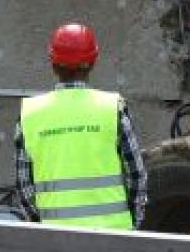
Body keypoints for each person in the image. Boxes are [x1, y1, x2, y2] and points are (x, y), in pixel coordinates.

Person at [13, 23, 146, 230]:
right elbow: (136, 175)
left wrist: (41, 227)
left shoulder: (31, 113)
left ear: (52, 63)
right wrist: (133, 223)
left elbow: (25, 187)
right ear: (93, 61)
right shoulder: (112, 107)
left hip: (54, 237)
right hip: (113, 235)